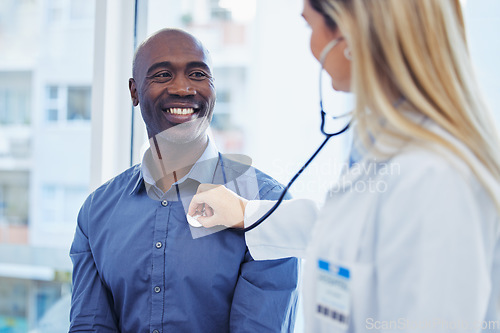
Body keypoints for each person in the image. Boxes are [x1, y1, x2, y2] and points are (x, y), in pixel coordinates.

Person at [188, 0, 500, 332]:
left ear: (350, 33)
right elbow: (363, 230)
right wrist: (246, 213)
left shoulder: (436, 178)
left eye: (310, 26)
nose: (312, 48)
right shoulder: (390, 151)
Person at [69, 28, 299, 332]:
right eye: (163, 75)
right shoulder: (96, 212)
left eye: (198, 74)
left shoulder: (267, 206)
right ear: (134, 91)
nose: (183, 88)